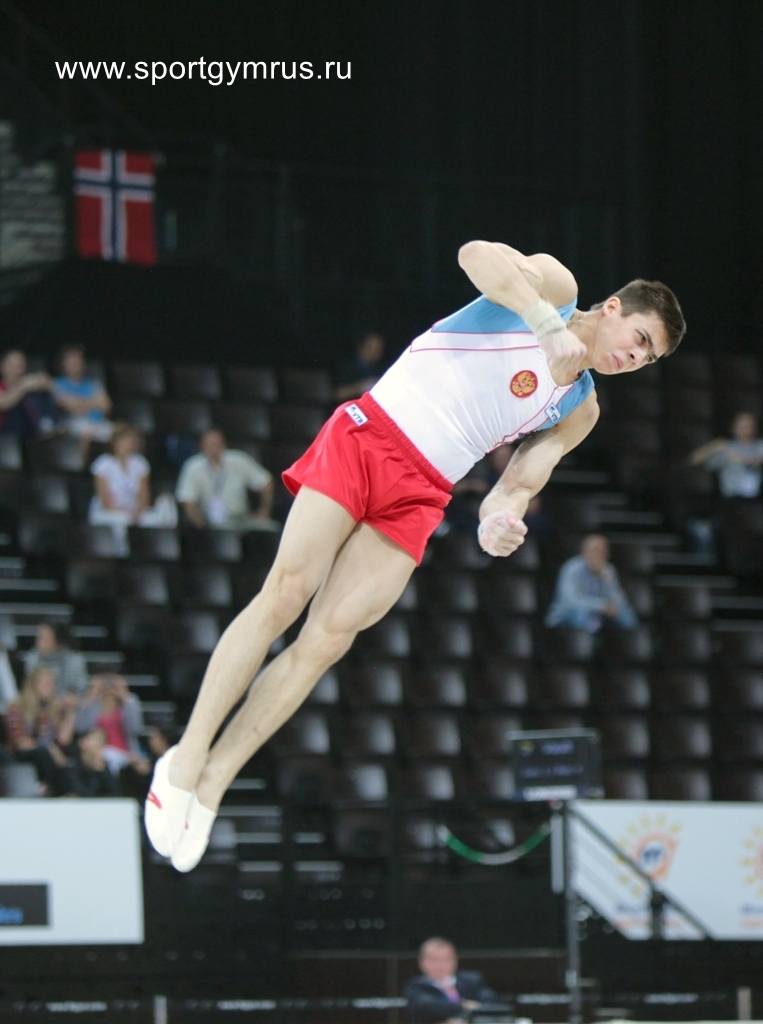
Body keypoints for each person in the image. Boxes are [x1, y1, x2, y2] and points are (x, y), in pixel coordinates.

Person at [145, 240, 685, 873]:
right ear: (614, 307)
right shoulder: (558, 290)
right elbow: (474, 255)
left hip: (423, 494)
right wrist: (544, 323)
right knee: (286, 594)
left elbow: (515, 485)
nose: (635, 358)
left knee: (326, 642)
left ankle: (214, 782)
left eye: (649, 357)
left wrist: (497, 520)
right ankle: (184, 761)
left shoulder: (580, 408)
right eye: (640, 339)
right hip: (369, 437)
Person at [89, 423, 177, 556]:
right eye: (125, 440)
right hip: (110, 511)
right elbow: (105, 501)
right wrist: (126, 514)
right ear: (115, 442)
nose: (129, 443)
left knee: (155, 520)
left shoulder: (140, 463)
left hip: (135, 511)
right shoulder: (103, 464)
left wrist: (138, 512)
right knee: (121, 524)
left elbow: (144, 496)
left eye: (132, 440)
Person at [175, 428, 277, 531]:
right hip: (211, 522)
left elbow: (266, 481)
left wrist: (264, 510)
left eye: (217, 444)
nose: (214, 448)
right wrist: (201, 526)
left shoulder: (239, 460)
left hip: (242, 518)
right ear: (201, 447)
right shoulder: (192, 467)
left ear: (224, 444)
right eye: (210, 445)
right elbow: (187, 500)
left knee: (271, 528)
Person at [5, 667, 76, 796]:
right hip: (23, 753)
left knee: (74, 752)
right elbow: (20, 742)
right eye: (47, 684)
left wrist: (71, 712)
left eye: (53, 684)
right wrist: (49, 749)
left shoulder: (53, 709)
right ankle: (54, 790)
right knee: (43, 753)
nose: (51, 688)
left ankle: (74, 794)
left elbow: (63, 739)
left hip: (48, 751)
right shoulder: (17, 708)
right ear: (34, 685)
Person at [545, 534, 638, 632]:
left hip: (598, 614)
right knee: (582, 613)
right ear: (584, 552)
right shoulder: (571, 568)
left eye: (602, 551)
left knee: (625, 613)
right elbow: (571, 601)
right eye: (594, 550)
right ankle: (583, 641)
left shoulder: (608, 570)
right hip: (565, 615)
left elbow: (620, 603)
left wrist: (608, 581)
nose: (598, 554)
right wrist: (601, 606)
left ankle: (635, 639)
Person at [403, 937, 499, 1023]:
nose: (440, 965)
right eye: (434, 960)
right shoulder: (415, 986)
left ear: (455, 961)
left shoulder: (472, 981)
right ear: (422, 962)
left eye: (446, 959)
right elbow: (427, 1006)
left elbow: (491, 1002)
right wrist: (464, 1007)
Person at [75, 673, 148, 776]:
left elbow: (136, 729)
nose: (107, 686)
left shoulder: (129, 701)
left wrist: (124, 697)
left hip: (126, 753)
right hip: (99, 753)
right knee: (105, 758)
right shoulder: (92, 703)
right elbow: (81, 729)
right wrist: (92, 697)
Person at [53, 345, 113, 460]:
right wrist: (94, 403)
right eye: (72, 361)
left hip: (98, 423)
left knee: (124, 434)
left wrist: (79, 402)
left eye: (78, 361)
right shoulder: (57, 384)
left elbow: (106, 406)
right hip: (72, 424)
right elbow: (72, 408)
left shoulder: (93, 384)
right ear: (63, 364)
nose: (76, 364)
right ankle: (82, 467)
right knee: (86, 434)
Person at [689, 412, 763, 498]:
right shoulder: (726, 448)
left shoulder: (760, 446)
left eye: (749, 426)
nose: (746, 430)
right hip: (730, 498)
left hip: (757, 498)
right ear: (734, 428)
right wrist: (712, 447)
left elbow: (757, 460)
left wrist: (752, 460)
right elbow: (693, 460)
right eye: (742, 427)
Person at [0, 350, 57, 438]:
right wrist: (22, 386)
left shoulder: (29, 384)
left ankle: (47, 424)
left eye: (19, 366)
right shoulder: (3, 386)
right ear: (2, 367)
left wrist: (44, 383)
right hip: (7, 432)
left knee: (39, 393)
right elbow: (4, 403)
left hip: (30, 431)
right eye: (11, 365)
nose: (15, 370)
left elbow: (56, 390)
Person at [23, 622, 89, 697]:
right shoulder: (32, 659)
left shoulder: (75, 661)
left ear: (56, 640)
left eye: (42, 637)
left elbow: (82, 691)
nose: (37, 641)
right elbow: (29, 689)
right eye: (37, 637)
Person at [334, 332, 386, 401]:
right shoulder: (347, 367)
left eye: (378, 350)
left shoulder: (380, 370)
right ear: (360, 347)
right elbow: (337, 394)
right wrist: (363, 386)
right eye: (370, 348)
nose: (373, 352)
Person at [69, 728, 119, 798]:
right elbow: (83, 794)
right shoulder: (72, 766)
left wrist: (100, 770)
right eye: (96, 738)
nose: (100, 743)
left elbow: (115, 793)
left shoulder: (103, 765)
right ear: (82, 742)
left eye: (103, 740)